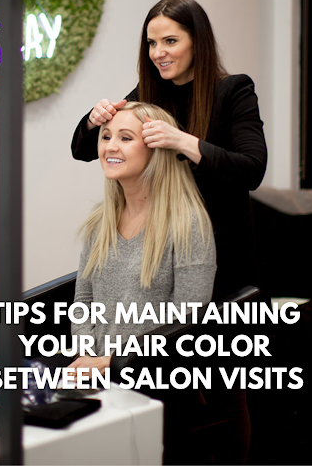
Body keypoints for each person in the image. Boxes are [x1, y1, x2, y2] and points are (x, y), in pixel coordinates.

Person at [72, 0, 267, 299]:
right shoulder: (150, 93)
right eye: (152, 43)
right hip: (165, 249)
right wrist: (92, 121)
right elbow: (83, 150)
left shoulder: (233, 91)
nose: (158, 52)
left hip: (223, 249)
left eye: (170, 41)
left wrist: (181, 140)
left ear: (197, 42)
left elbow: (252, 170)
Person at [68, 101, 216, 376]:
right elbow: (83, 300)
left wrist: (110, 363)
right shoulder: (101, 219)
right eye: (106, 136)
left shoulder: (188, 224)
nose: (111, 147)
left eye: (126, 138)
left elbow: (186, 322)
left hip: (152, 378)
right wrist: (86, 355)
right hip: (94, 371)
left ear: (156, 149)